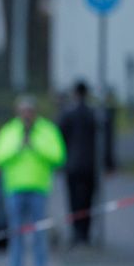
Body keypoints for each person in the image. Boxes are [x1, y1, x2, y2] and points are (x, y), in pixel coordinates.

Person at [0, 96, 66, 266]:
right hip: (14, 187)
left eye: (29, 111)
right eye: (23, 111)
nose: (26, 115)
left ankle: (41, 264)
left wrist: (35, 145)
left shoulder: (47, 130)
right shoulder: (9, 131)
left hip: (39, 186)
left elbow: (58, 156)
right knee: (15, 229)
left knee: (39, 229)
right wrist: (18, 147)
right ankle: (16, 265)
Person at [58, 81, 96, 246]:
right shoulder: (93, 113)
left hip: (72, 165)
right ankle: (85, 234)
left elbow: (60, 138)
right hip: (90, 164)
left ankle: (76, 232)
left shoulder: (67, 114)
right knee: (88, 200)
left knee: (74, 200)